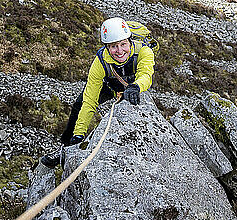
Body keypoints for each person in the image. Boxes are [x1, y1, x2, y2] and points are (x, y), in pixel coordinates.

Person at [41, 17, 155, 168]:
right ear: (107, 47)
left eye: (123, 44)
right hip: (111, 87)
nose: (120, 51)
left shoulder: (144, 51)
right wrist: (79, 134)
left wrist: (136, 87)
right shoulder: (101, 61)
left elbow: (146, 75)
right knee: (80, 104)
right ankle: (67, 148)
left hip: (135, 87)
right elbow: (90, 100)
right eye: (114, 46)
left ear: (130, 41)